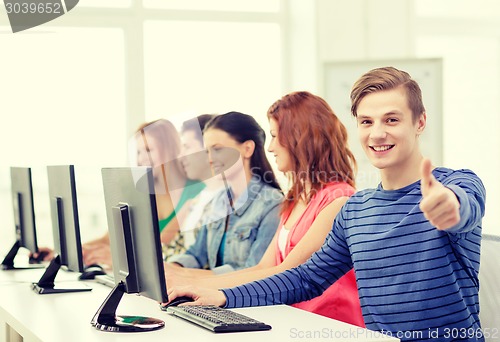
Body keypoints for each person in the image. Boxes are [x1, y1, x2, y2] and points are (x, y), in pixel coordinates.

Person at [167, 67, 487, 341]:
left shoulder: (457, 184)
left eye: (391, 119)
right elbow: (306, 278)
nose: (377, 134)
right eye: (366, 122)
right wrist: (222, 296)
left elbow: (464, 209)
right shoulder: (356, 210)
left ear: (420, 122)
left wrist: (448, 207)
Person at [167, 92, 364, 327]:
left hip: (325, 323)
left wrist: (202, 285)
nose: (270, 148)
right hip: (289, 318)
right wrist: (186, 280)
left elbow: (288, 273)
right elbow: (264, 267)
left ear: (299, 138)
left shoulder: (338, 199)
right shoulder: (295, 199)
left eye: (274, 136)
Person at [167, 112, 283, 275]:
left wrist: (192, 277)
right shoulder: (218, 201)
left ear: (247, 149)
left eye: (218, 149)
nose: (210, 159)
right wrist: (169, 269)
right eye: (208, 151)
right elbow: (196, 255)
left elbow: (253, 271)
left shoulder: (273, 205)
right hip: (213, 295)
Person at [83, 119, 205, 266]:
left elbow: (159, 247)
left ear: (170, 149)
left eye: (148, 150)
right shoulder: (141, 193)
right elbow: (109, 239)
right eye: (138, 152)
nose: (141, 159)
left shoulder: (198, 192)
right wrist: (61, 255)